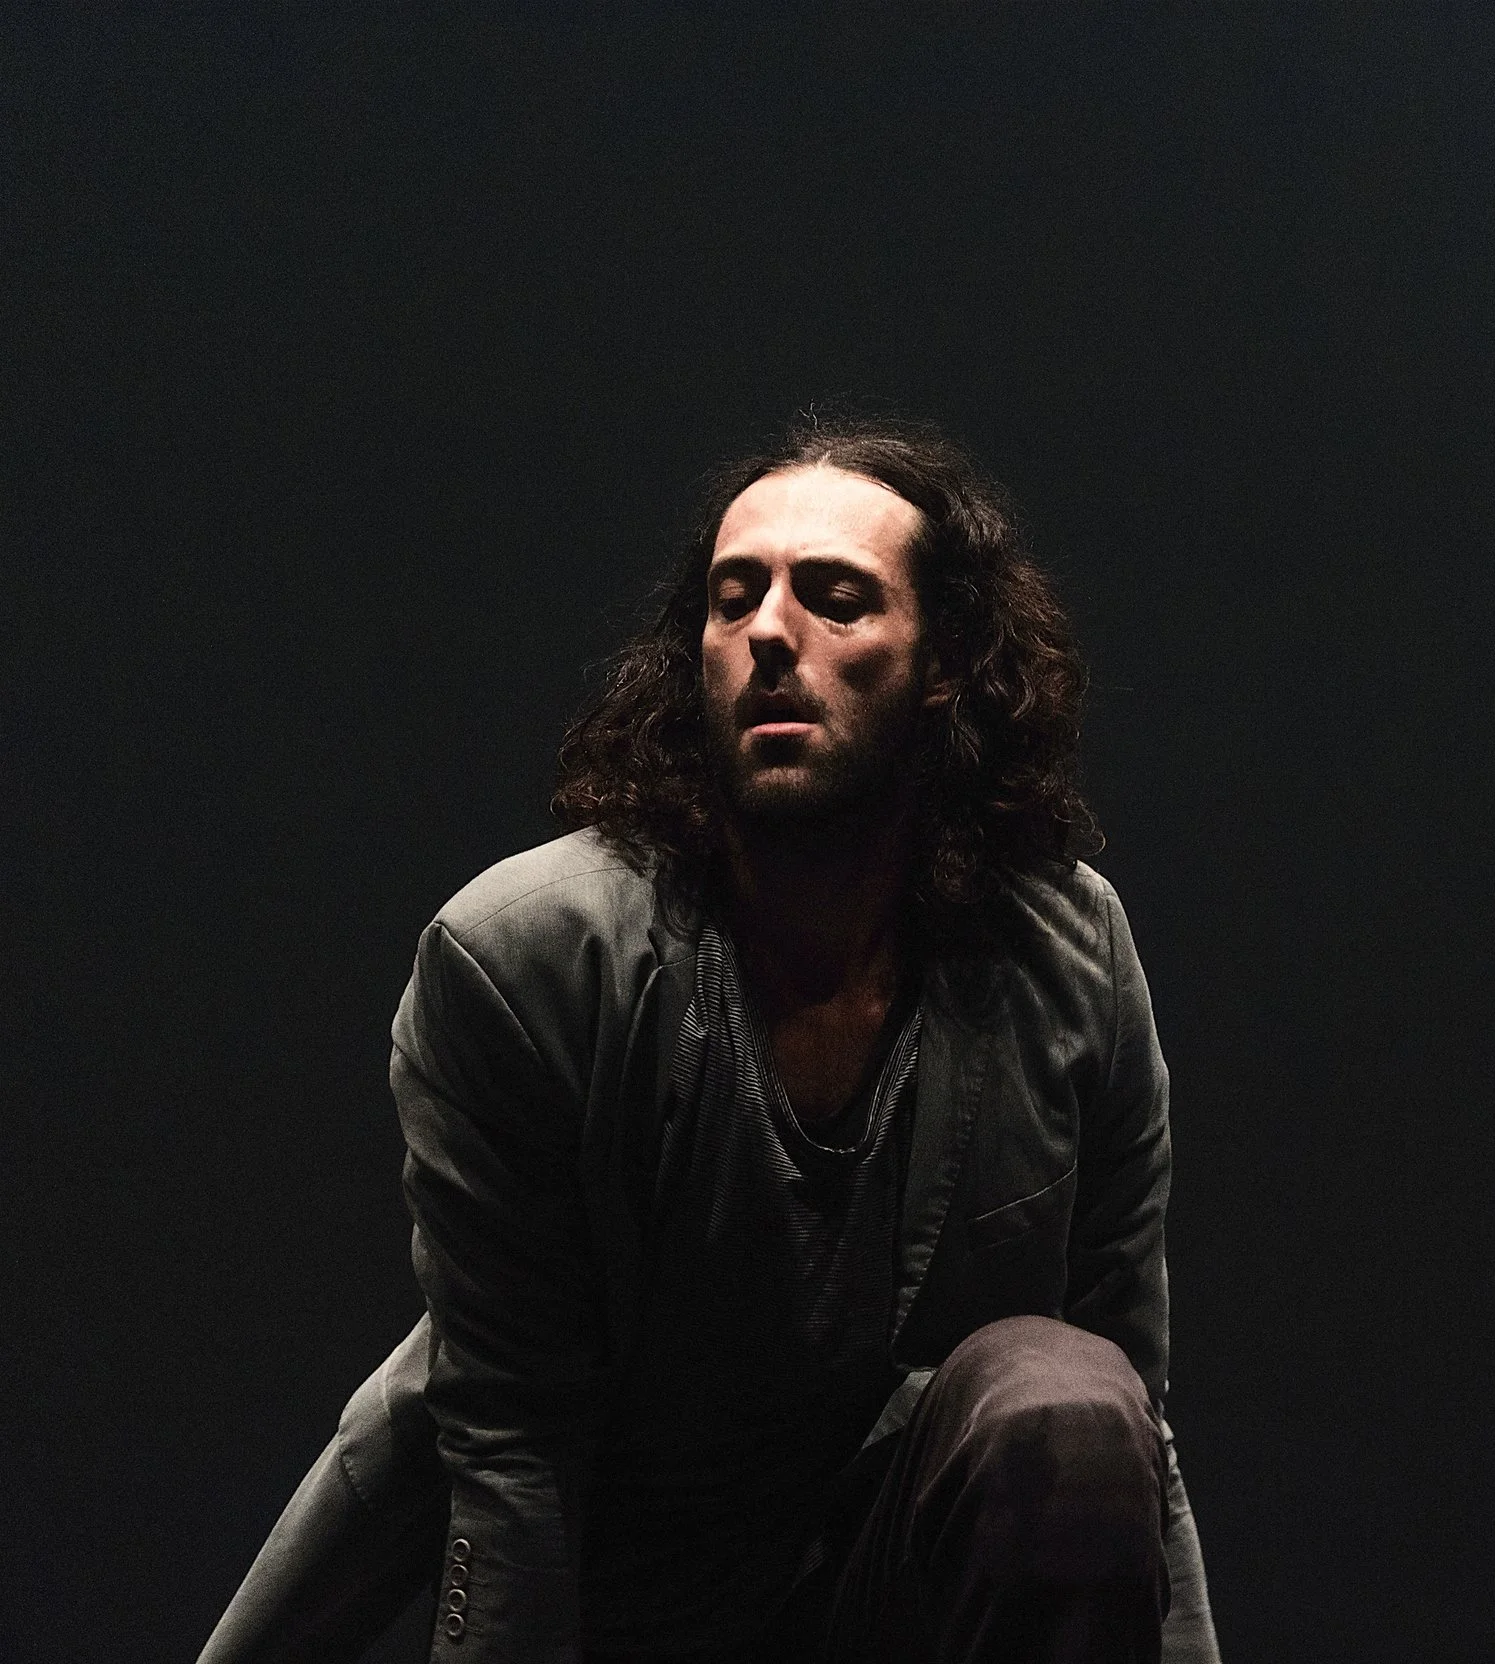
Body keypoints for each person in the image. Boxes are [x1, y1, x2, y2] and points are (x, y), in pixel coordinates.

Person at [198, 414, 1219, 1664]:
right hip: (628, 1591)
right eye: (735, 599)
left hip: (888, 1593)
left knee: (1067, 1401)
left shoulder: (1066, 949)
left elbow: (1131, 1407)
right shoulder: (530, 960)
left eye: (835, 598)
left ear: (945, 661)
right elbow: (512, 1447)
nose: (770, 632)